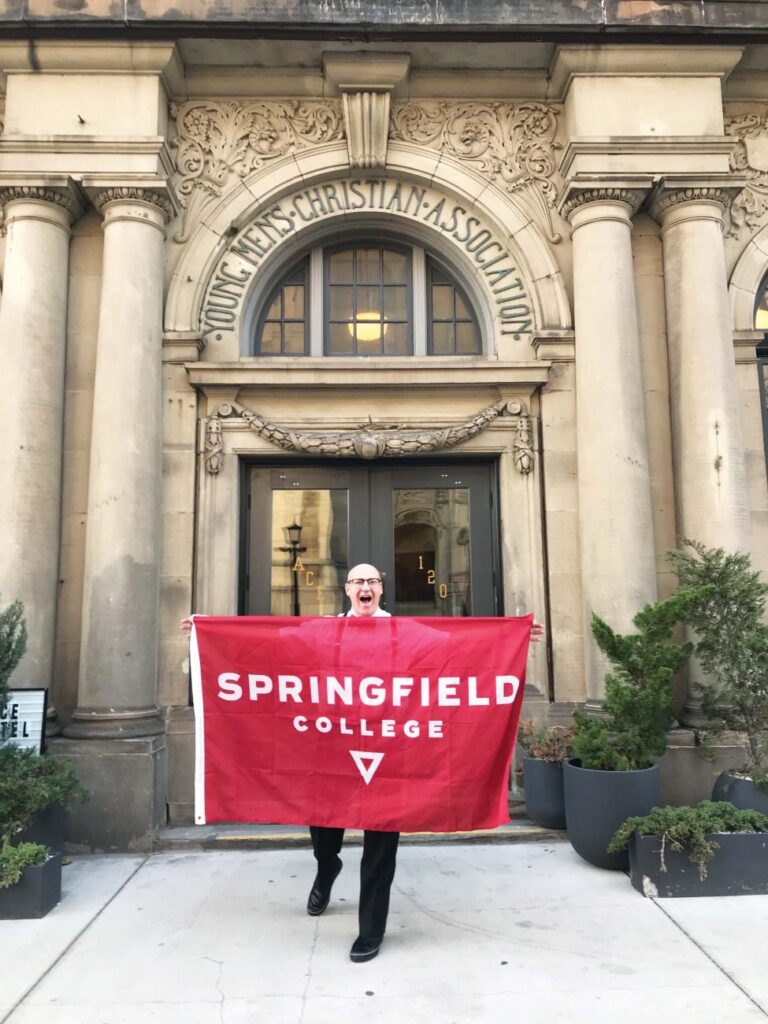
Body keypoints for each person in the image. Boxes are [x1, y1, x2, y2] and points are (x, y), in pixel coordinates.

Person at [182, 562, 543, 965]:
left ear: (381, 589)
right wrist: (205, 634)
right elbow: (272, 646)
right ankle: (326, 868)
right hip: (330, 752)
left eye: (372, 581)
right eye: (358, 582)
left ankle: (371, 928)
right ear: (348, 590)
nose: (366, 587)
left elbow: (455, 647)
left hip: (389, 755)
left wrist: (514, 637)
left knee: (380, 845)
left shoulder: (404, 631)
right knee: (322, 828)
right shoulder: (325, 629)